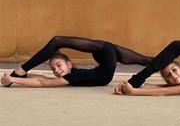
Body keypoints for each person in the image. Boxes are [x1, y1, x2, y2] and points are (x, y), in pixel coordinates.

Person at [1, 36, 152, 87]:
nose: (56, 71)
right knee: (145, 60)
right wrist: (18, 79)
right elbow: (42, 79)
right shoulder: (70, 76)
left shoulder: (70, 77)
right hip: (106, 58)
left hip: (105, 54)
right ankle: (166, 65)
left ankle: (21, 69)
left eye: (58, 65)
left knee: (57, 41)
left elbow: (42, 83)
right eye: (53, 69)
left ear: (69, 64)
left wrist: (14, 78)